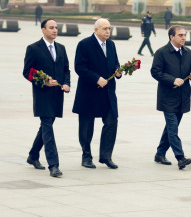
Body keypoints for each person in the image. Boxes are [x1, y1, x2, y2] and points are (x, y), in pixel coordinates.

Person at [23, 19, 71, 177]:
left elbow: (66, 70)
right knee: (48, 128)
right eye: (51, 28)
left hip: (57, 95)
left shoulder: (61, 48)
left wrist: (66, 83)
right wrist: (44, 81)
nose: (55, 30)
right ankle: (54, 165)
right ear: (43, 30)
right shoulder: (33, 48)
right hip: (42, 94)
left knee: (46, 126)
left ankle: (33, 156)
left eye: (56, 27)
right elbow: (27, 71)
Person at [73, 18, 122, 169]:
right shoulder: (84, 44)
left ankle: (106, 156)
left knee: (111, 122)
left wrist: (118, 71)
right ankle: (86, 156)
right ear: (96, 30)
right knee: (87, 127)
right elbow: (79, 67)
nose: (108, 31)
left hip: (108, 92)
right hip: (89, 92)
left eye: (109, 28)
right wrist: (96, 78)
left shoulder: (111, 44)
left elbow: (115, 63)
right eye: (105, 28)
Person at [151, 25, 191, 170]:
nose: (184, 38)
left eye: (185, 35)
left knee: (171, 128)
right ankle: (180, 157)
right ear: (172, 37)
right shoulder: (161, 52)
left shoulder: (188, 52)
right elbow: (155, 72)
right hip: (167, 96)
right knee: (173, 128)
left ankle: (160, 153)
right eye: (181, 35)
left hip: (183, 96)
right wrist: (172, 80)